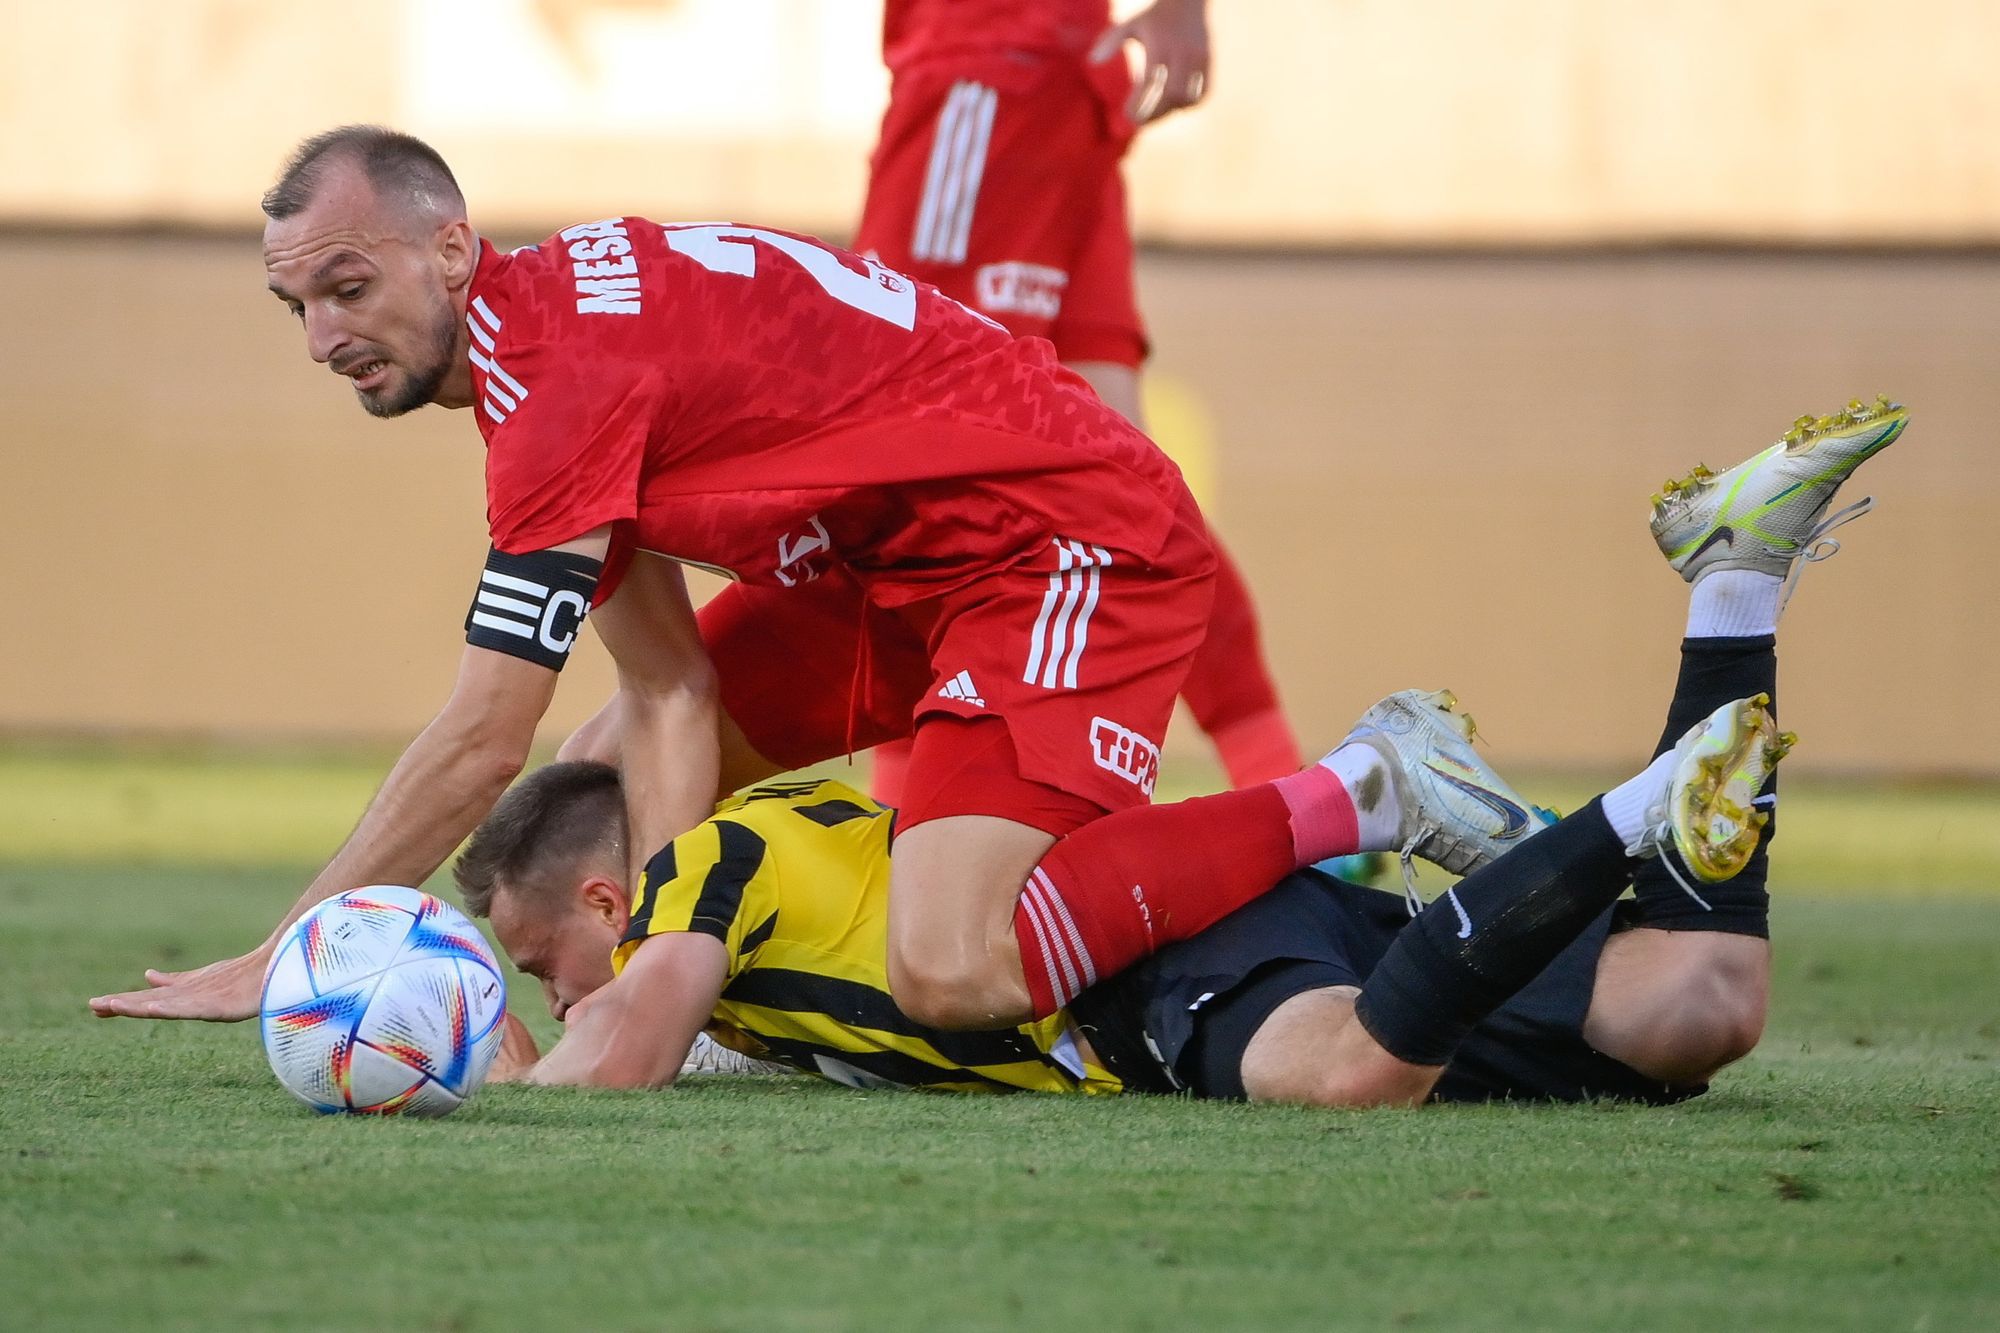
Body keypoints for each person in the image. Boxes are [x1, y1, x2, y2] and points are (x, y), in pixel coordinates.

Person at [90, 126, 1526, 1033]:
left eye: (351, 287)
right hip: (903, 560)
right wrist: (661, 943)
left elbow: (480, 737)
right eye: (299, 304)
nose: (324, 334)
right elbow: (666, 688)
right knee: (618, 763)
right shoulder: (547, 335)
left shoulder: (553, 388)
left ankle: (1370, 787)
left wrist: (287, 947)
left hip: (1061, 539)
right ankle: (684, 1003)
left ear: (452, 246)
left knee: (954, 967)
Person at [462, 401, 1903, 1105]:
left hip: (1146, 965)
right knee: (1699, 1003)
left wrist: (467, 1061)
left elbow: (632, 1044)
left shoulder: (702, 872)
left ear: (606, 902)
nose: (559, 991)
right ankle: (1736, 581)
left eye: (541, 963)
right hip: (1211, 918)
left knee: (1347, 1081)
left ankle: (1635, 798)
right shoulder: (764, 972)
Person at [857, 0, 1305, 798]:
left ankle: (894, 830)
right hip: (1059, 84)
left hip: (990, 65)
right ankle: (1293, 795)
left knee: (901, 434)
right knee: (1130, 483)